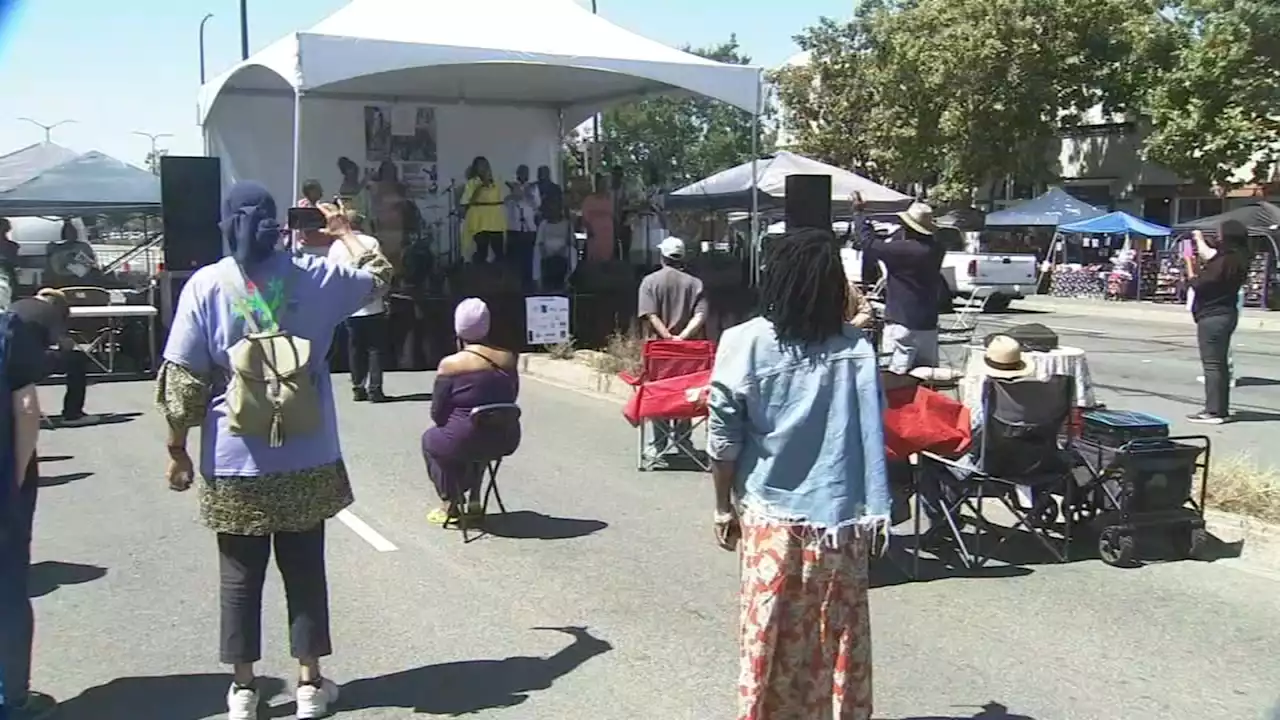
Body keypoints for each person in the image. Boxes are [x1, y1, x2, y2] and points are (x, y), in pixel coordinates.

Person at [155, 181, 392, 720]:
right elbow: (379, 277)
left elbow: (186, 381)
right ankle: (309, 684)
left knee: (240, 576)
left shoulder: (206, 285)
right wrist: (345, 232)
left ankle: (243, 690)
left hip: (234, 458)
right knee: (305, 567)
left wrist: (177, 447)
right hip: (307, 453)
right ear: (277, 224)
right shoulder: (318, 274)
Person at [706, 227, 888, 720]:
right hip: (840, 524)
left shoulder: (742, 343)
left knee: (769, 631)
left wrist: (723, 507)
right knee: (834, 636)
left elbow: (724, 440)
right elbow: (871, 433)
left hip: (770, 521)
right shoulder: (856, 352)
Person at [0, 310, 58, 720]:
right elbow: (25, 407)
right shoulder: (7, 329)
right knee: (6, 593)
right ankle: (11, 699)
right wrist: (16, 480)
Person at [422, 298, 520, 525]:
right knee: (484, 432)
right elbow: (512, 395)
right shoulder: (508, 357)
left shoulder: (451, 364)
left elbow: (437, 412)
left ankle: (451, 502)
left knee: (433, 440)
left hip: (463, 438)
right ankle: (475, 499)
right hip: (506, 436)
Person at [849, 195, 945, 373]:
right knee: (926, 377)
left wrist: (859, 213)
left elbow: (868, 243)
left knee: (896, 378)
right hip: (928, 323)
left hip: (902, 322)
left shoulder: (902, 250)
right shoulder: (936, 249)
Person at [636, 237, 706, 468]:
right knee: (685, 393)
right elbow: (700, 315)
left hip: (660, 351)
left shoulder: (650, 281)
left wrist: (667, 337)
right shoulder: (696, 283)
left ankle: (659, 443)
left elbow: (650, 314)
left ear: (662, 257)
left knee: (660, 394)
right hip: (690, 352)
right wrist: (682, 338)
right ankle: (684, 443)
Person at [1185, 222, 1248, 424]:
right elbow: (1208, 254)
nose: (1218, 237)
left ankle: (1214, 411)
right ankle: (1220, 409)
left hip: (1213, 316)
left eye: (1220, 234)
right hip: (1227, 313)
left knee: (1212, 366)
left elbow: (1200, 284)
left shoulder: (1224, 261)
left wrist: (1190, 267)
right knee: (1219, 365)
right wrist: (1199, 239)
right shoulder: (1236, 258)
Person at [326, 205, 389, 403]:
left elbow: (332, 275)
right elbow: (381, 269)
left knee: (355, 348)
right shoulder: (371, 241)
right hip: (373, 303)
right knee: (375, 348)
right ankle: (375, 389)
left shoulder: (336, 247)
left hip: (350, 305)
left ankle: (357, 387)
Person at [8, 289, 94, 427]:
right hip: (27, 364)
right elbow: (64, 344)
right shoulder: (51, 311)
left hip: (4, 361)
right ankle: (73, 414)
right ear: (57, 303)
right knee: (77, 359)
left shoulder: (15, 304)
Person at [460, 157, 507, 264]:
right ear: (475, 168)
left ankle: (500, 275)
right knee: (482, 249)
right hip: (479, 218)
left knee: (498, 249)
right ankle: (479, 274)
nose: (483, 168)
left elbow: (503, 196)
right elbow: (468, 200)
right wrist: (480, 186)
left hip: (495, 218)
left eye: (485, 165)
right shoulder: (472, 183)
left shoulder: (496, 180)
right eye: (480, 165)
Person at [505, 165, 541, 288]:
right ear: (517, 174)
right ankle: (514, 283)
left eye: (526, 172)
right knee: (515, 258)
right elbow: (505, 203)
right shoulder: (509, 186)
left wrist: (527, 194)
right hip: (514, 227)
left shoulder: (533, 187)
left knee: (529, 258)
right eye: (521, 172)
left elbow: (537, 205)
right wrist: (513, 194)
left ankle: (529, 284)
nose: (523, 175)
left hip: (529, 228)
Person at [531, 197, 577, 291]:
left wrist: (564, 249)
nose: (552, 211)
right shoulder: (543, 224)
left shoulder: (567, 224)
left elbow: (571, 241)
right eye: (550, 209)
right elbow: (539, 241)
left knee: (572, 251)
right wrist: (543, 249)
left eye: (554, 209)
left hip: (562, 249)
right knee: (536, 251)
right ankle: (538, 281)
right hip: (547, 249)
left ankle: (567, 280)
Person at [580, 173, 615, 264]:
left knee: (606, 256)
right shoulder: (589, 199)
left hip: (607, 232)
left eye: (605, 184)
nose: (603, 187)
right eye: (601, 184)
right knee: (593, 255)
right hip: (594, 232)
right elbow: (584, 216)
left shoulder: (609, 199)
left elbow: (612, 215)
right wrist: (589, 228)